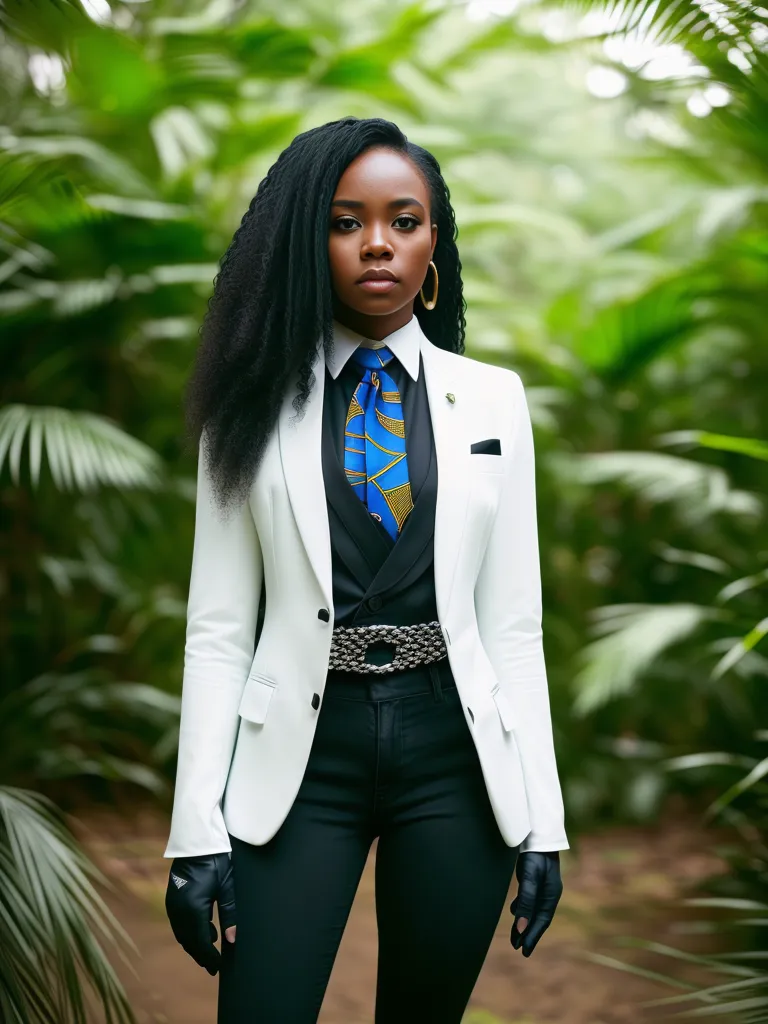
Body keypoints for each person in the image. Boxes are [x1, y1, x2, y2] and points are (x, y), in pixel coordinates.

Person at [162, 115, 569, 1023]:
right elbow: (219, 631)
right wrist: (195, 833)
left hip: (454, 757)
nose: (376, 243)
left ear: (434, 243)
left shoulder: (492, 399)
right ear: (308, 242)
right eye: (345, 222)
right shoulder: (249, 404)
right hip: (298, 761)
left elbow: (513, 628)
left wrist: (544, 816)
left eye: (404, 220)